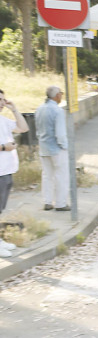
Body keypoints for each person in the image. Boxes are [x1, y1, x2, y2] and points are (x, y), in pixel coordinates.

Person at [34, 86, 70, 211]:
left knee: (47, 175)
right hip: (57, 148)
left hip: (44, 147)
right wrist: (64, 146)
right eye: (61, 93)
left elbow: (37, 130)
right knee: (61, 176)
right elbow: (60, 133)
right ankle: (60, 203)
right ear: (57, 95)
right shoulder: (58, 111)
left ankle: (47, 201)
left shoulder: (39, 109)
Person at [0, 90, 27, 234]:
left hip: (6, 171)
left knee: (1, 208)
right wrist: (4, 147)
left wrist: (14, 110)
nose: (2, 103)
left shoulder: (3, 120)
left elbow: (23, 128)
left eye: (3, 100)